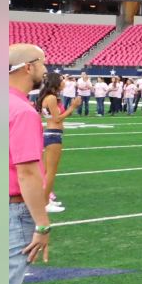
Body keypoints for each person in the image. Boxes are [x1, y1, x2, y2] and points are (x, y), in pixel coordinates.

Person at [9, 44, 54, 284]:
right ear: (27, 67)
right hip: (11, 210)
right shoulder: (22, 112)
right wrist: (42, 224)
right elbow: (26, 173)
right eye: (41, 63)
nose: (45, 68)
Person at [36, 72, 81, 214]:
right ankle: (44, 203)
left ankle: (46, 200)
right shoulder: (51, 98)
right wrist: (72, 107)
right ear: (55, 82)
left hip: (51, 134)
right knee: (51, 172)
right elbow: (56, 119)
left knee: (48, 171)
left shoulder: (50, 97)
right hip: (53, 135)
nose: (64, 82)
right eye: (62, 79)